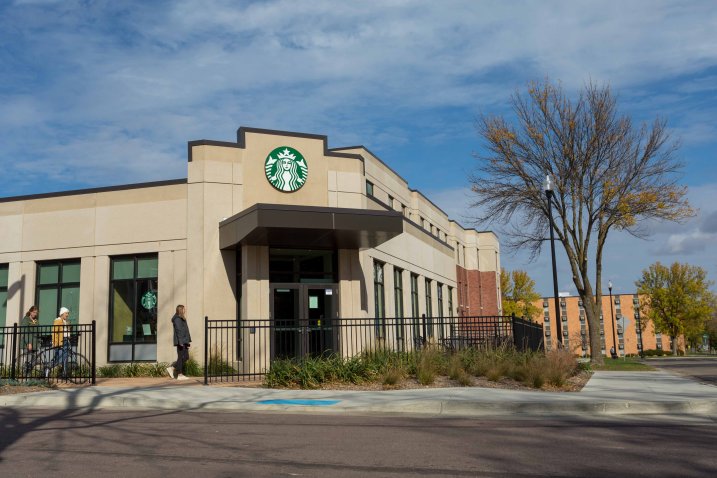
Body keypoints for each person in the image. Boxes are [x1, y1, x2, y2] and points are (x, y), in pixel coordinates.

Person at [167, 305, 191, 380]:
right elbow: (178, 331)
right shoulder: (177, 319)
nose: (185, 310)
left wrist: (187, 340)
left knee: (186, 357)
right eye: (184, 309)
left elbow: (185, 330)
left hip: (184, 340)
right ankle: (180, 375)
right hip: (181, 341)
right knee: (181, 357)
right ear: (180, 310)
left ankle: (173, 367)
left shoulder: (181, 318)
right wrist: (180, 342)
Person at [52, 307, 72, 377]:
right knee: (59, 359)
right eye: (66, 313)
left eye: (68, 313)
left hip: (66, 340)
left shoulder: (65, 321)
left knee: (65, 358)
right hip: (61, 342)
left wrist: (68, 329)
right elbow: (55, 332)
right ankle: (48, 368)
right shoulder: (58, 321)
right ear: (62, 313)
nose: (67, 315)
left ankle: (64, 374)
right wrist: (55, 342)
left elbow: (66, 332)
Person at [21, 306, 40, 373]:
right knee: (28, 360)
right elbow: (25, 332)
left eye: (36, 313)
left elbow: (38, 333)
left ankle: (28, 372)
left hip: (35, 344)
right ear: (30, 312)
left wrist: (39, 342)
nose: (35, 314)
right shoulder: (26, 320)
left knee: (35, 360)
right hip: (28, 343)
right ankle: (26, 374)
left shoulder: (36, 321)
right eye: (34, 312)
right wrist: (28, 343)